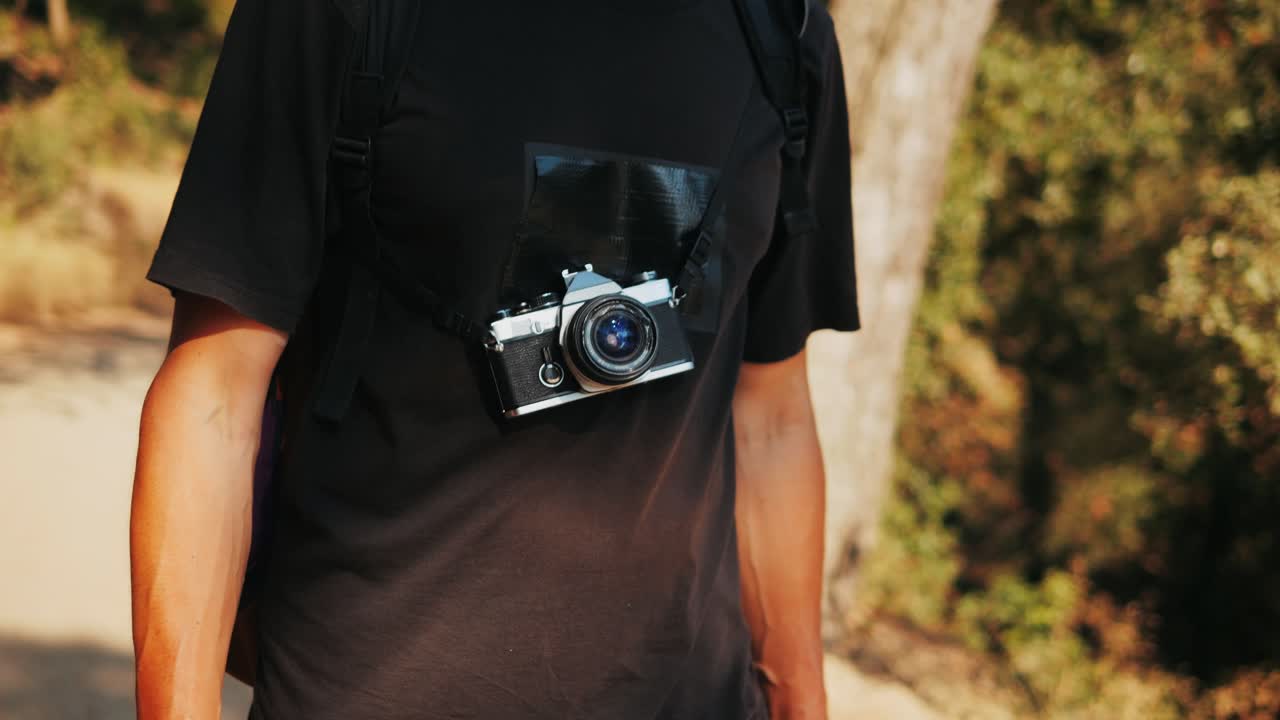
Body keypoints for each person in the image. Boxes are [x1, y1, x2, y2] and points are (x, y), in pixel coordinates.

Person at [130, 0, 860, 717]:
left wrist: (801, 699)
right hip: (367, 686)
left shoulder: (782, 40)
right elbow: (214, 395)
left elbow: (772, 417)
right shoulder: (336, 14)